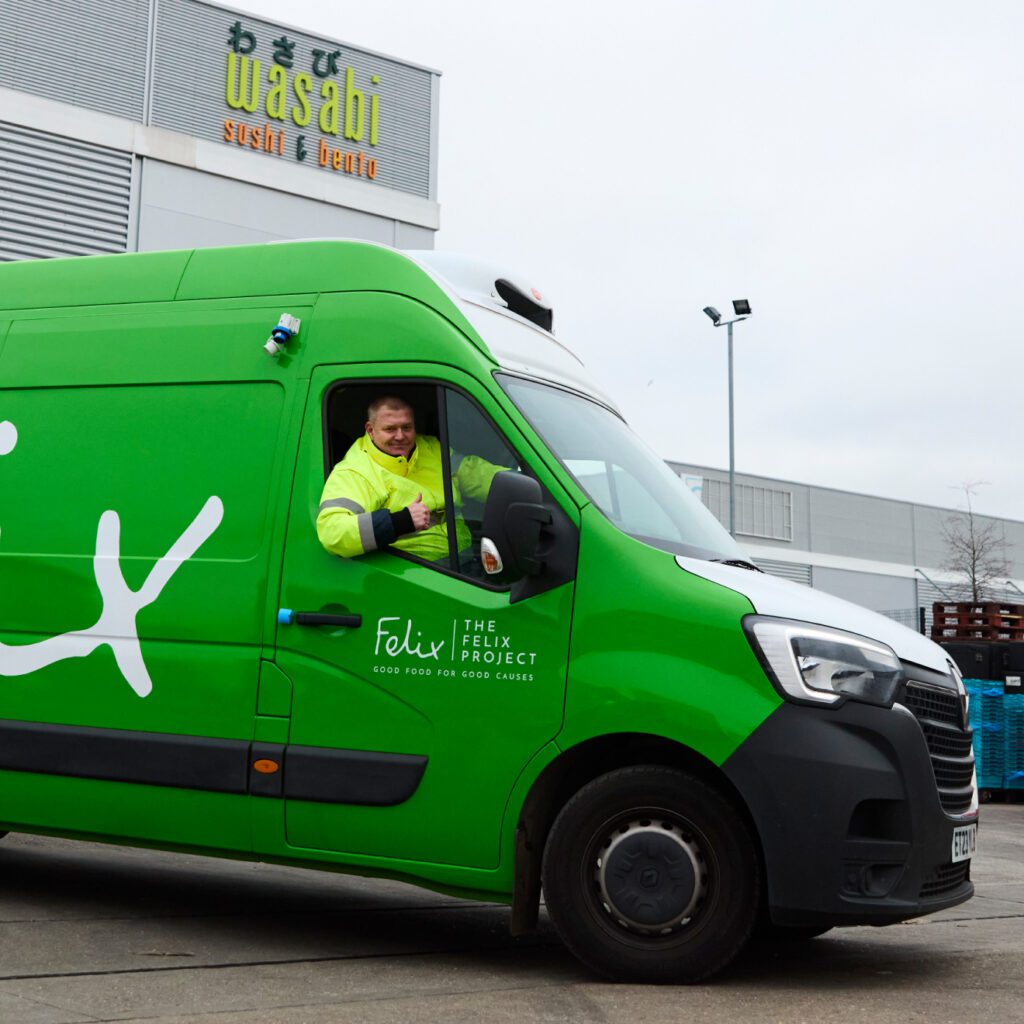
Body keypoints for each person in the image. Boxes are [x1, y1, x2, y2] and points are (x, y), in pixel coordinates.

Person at [317, 395, 504, 562]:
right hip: (414, 570)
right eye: (390, 429)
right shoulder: (354, 471)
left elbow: (474, 474)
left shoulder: (430, 447)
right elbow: (332, 532)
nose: (400, 436)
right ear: (370, 430)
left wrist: (522, 484)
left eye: (406, 427)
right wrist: (400, 521)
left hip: (463, 553)